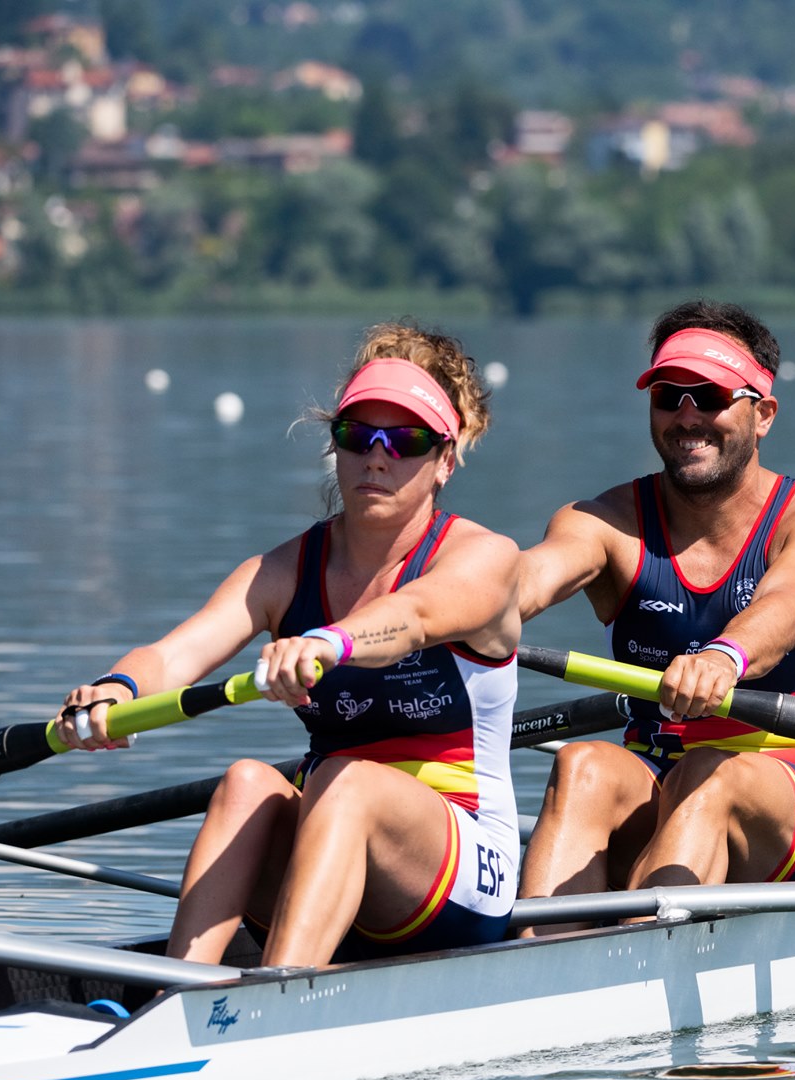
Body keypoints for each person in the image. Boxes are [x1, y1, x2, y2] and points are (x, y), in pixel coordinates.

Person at [56, 323, 523, 968]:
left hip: (460, 866)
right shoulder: (281, 572)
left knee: (346, 780)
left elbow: (412, 618)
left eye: (406, 440)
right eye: (357, 436)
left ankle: (276, 1000)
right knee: (248, 781)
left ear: (445, 460)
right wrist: (118, 689)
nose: (377, 457)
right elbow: (172, 655)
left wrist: (327, 642)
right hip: (330, 844)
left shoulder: (484, 559)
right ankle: (173, 994)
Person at [515, 300, 795, 900]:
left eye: (709, 396)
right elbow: (523, 582)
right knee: (582, 765)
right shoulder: (605, 522)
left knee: (708, 773)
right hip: (655, 771)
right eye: (668, 395)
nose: (686, 415)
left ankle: (632, 954)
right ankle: (529, 963)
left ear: (764, 414)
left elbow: (791, 601)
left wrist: (725, 657)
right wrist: (421, 616)